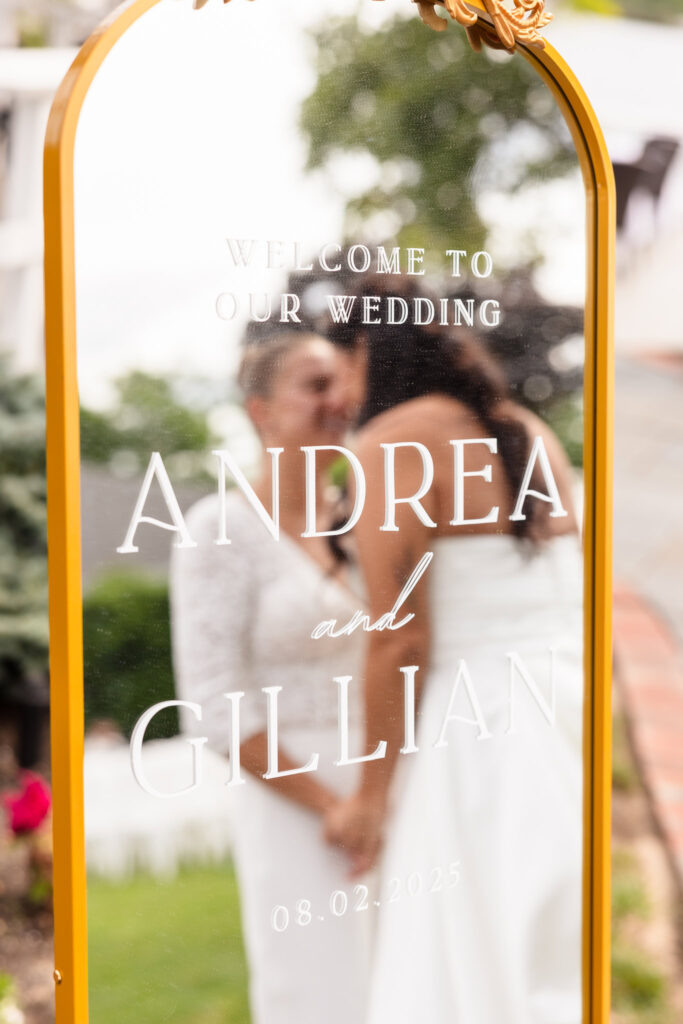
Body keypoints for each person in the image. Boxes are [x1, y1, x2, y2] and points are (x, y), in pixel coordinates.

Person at [322, 276, 585, 1024]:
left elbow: (399, 634)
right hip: (558, 699)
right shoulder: (526, 430)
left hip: (472, 727)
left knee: (464, 949)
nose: (341, 397)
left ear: (368, 350)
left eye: (340, 369)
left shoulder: (390, 443)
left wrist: (372, 794)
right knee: (541, 946)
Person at [170, 331, 372, 1024]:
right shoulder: (218, 529)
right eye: (315, 386)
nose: (339, 400)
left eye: (342, 383)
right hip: (297, 808)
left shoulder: (366, 516)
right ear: (260, 411)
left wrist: (378, 794)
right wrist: (333, 810)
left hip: (391, 793)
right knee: (318, 991)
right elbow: (216, 707)